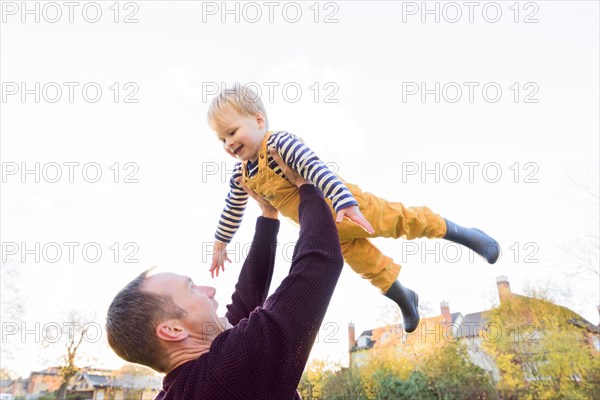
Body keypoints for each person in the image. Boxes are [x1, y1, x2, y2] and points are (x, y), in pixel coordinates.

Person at [207, 85, 501, 333]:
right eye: (222, 139)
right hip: (321, 227)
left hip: (346, 205)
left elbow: (316, 168)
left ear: (259, 120)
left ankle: (465, 234)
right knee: (366, 265)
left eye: (232, 132)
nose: (228, 143)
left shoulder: (280, 144)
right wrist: (221, 241)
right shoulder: (241, 174)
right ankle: (405, 297)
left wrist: (344, 201)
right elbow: (232, 208)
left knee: (401, 221)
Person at [105, 152, 344, 399]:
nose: (210, 290)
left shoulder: (192, 383)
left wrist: (268, 216)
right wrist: (306, 183)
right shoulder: (229, 373)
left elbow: (244, 304)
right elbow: (320, 262)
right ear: (174, 330)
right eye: (192, 289)